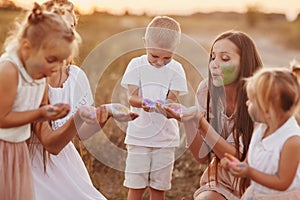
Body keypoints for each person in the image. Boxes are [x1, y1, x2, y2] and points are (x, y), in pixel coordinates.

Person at [29, 1, 138, 199]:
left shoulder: (76, 76)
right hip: (31, 163)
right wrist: (78, 117)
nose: (68, 36)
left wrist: (104, 114)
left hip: (65, 161)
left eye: (71, 28)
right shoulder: (34, 77)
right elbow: (50, 144)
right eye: (61, 28)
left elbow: (81, 135)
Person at [161, 31, 263, 200]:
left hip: (260, 179)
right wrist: (189, 122)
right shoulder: (206, 91)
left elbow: (238, 157)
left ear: (244, 63)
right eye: (212, 57)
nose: (214, 64)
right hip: (223, 177)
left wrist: (202, 124)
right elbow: (202, 157)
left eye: (224, 59)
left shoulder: (260, 99)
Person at [0, 3, 77, 199]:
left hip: (17, 148)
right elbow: (2, 118)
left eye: (61, 61)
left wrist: (49, 110)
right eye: (52, 60)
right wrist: (40, 114)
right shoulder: (9, 70)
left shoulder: (40, 74)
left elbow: (42, 106)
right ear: (26, 47)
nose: (56, 67)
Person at [121, 16, 188, 200]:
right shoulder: (136, 65)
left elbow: (172, 101)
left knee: (159, 187)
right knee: (136, 185)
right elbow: (132, 97)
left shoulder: (177, 69)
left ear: (175, 48)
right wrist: (142, 103)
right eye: (154, 56)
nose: (160, 62)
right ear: (145, 43)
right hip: (139, 137)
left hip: (165, 139)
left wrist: (165, 107)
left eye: (167, 58)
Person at [223, 66, 300, 199]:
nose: (247, 103)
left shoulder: (292, 141)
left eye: (252, 100)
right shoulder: (260, 129)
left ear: (267, 110)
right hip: (258, 194)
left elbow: (283, 182)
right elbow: (249, 162)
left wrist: (250, 173)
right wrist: (237, 166)